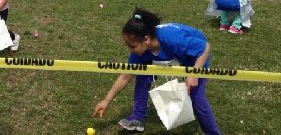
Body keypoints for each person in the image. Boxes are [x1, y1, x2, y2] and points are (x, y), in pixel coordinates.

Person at [92, 8, 221, 135]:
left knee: (197, 98)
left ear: (146, 40)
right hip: (161, 54)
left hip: (196, 55)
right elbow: (126, 75)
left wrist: (194, 74)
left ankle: (212, 132)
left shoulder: (172, 39)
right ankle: (137, 118)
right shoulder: (140, 51)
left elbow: (205, 47)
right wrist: (106, 100)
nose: (130, 50)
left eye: (132, 46)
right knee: (142, 76)